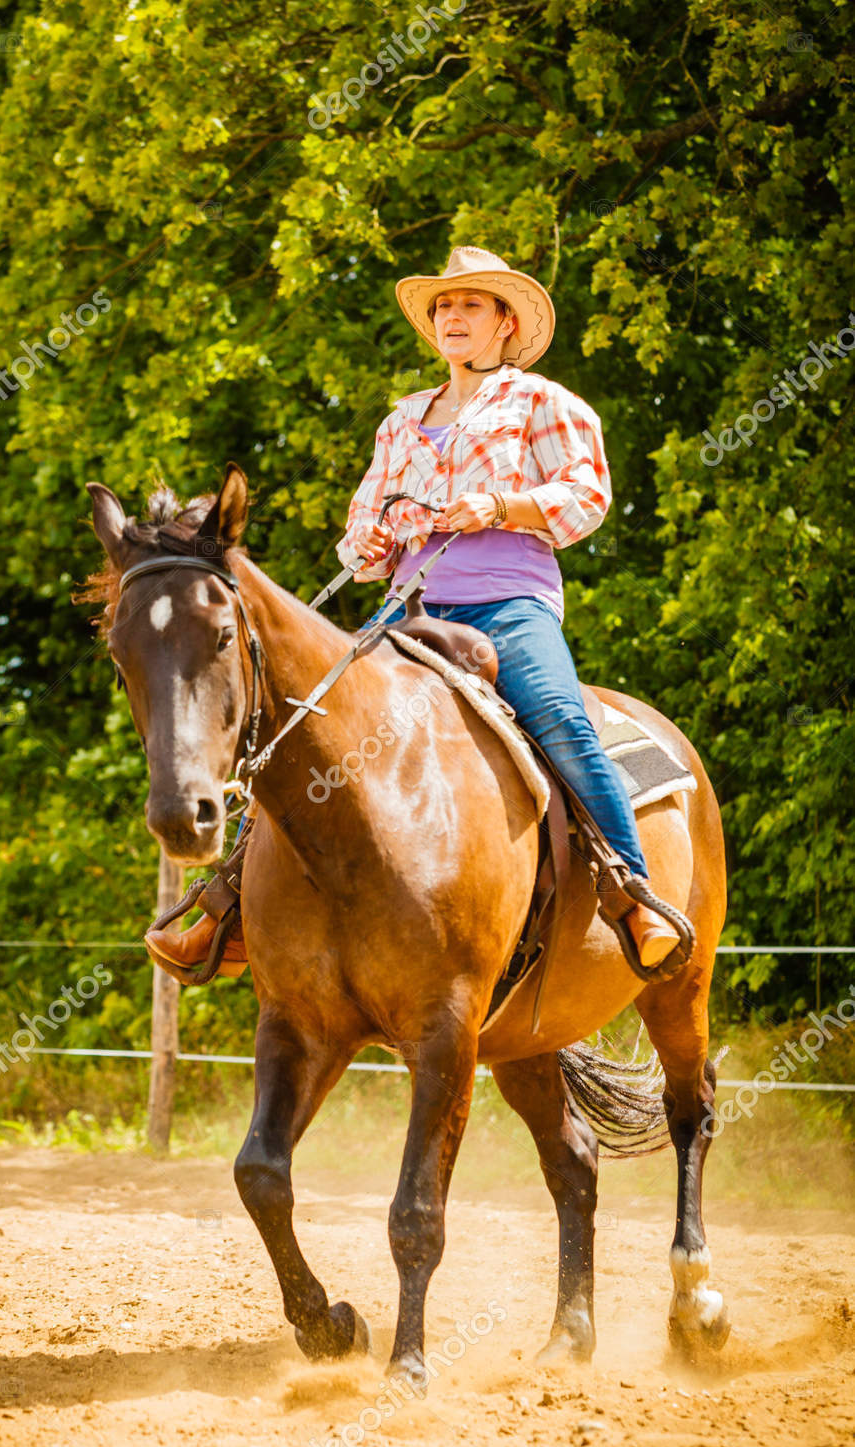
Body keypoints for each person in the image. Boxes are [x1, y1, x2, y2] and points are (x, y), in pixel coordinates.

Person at [149, 244, 688, 979]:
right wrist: (369, 542)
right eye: (443, 306)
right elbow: (360, 533)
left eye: (471, 304)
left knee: (561, 716)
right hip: (408, 614)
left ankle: (632, 894)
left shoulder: (543, 402)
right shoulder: (402, 421)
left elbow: (587, 494)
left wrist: (500, 504)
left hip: (509, 605)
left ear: (505, 323)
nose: (453, 317)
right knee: (301, 721)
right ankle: (229, 908)